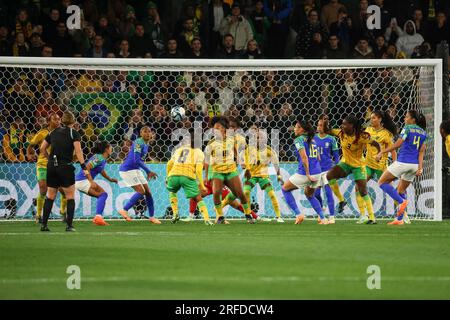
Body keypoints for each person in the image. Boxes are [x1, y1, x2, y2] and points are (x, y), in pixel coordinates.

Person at [327, 115, 381, 224]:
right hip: (345, 164)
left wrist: (379, 154)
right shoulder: (341, 132)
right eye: (342, 124)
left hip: (358, 166)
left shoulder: (362, 136)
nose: (342, 126)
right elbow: (328, 130)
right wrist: (325, 122)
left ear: (352, 126)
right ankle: (342, 201)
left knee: (362, 191)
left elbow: (375, 144)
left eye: (345, 124)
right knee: (329, 176)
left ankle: (371, 217)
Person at [39, 111, 88, 232]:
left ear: (62, 121)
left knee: (50, 196)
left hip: (51, 167)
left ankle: (44, 225)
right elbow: (78, 151)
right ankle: (69, 226)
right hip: (65, 167)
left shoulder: (53, 132)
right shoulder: (74, 133)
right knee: (70, 196)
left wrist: (49, 158)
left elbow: (42, 148)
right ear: (73, 121)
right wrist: (84, 167)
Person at [377, 110, 427, 225]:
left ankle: (401, 202)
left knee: (382, 182)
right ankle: (399, 220)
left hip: (403, 162)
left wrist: (382, 151)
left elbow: (398, 144)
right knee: (400, 190)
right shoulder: (423, 133)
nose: (405, 119)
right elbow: (421, 152)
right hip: (414, 165)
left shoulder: (407, 128)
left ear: (413, 119)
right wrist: (420, 168)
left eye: (406, 117)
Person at [204, 116, 254, 224]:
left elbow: (236, 152)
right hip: (218, 172)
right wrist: (206, 176)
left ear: (224, 129)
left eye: (218, 127)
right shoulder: (211, 144)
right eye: (214, 128)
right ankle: (220, 216)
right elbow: (206, 161)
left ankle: (248, 214)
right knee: (216, 192)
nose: (216, 130)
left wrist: (243, 165)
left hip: (231, 171)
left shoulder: (231, 139)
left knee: (240, 193)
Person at [281, 117, 328, 225]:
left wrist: (307, 173)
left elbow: (304, 158)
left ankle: (298, 214)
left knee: (285, 189)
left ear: (303, 130)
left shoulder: (299, 140)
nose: (294, 129)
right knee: (309, 195)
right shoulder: (313, 139)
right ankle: (323, 218)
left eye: (297, 127)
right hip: (317, 173)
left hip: (306, 174)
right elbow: (319, 157)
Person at [356, 110, 397, 224]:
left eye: (374, 118)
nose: (371, 120)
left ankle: (403, 214)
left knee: (390, 190)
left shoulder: (386, 134)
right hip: (368, 165)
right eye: (371, 118)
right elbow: (362, 146)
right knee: (359, 187)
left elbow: (392, 150)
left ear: (380, 119)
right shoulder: (367, 130)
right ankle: (364, 215)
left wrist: (395, 165)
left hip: (381, 167)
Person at [166, 129, 213, 225]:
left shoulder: (179, 149)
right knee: (197, 197)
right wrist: (202, 186)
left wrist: (168, 177)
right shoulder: (199, 152)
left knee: (172, 192)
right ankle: (207, 219)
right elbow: (199, 171)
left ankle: (175, 214)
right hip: (187, 176)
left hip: (174, 175)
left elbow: (169, 164)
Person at [26, 114, 67, 224]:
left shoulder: (62, 133)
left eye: (59, 119)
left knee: (63, 191)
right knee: (43, 190)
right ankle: (39, 215)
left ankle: (63, 211)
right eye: (55, 119)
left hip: (56, 165)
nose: (58, 121)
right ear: (49, 121)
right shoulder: (42, 133)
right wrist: (29, 154)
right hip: (43, 165)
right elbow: (30, 145)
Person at [118, 126, 160, 224]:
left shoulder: (146, 144)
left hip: (136, 169)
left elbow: (139, 161)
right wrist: (148, 171)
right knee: (141, 191)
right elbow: (136, 160)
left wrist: (147, 170)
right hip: (127, 169)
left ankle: (152, 217)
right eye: (145, 131)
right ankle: (124, 210)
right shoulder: (138, 142)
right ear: (141, 134)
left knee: (148, 192)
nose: (148, 133)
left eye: (149, 131)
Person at [242, 126, 284, 222]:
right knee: (246, 192)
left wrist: (279, 175)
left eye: (260, 137)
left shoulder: (269, 150)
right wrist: (245, 168)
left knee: (272, 194)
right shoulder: (249, 149)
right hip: (251, 176)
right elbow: (243, 162)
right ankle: (248, 215)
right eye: (256, 137)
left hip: (263, 176)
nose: (258, 139)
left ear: (265, 139)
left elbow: (276, 163)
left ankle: (278, 216)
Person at [75, 141, 118, 226]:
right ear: (106, 149)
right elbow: (87, 167)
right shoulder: (98, 157)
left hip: (82, 181)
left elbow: (101, 170)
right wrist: (91, 181)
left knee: (102, 195)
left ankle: (98, 218)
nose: (111, 149)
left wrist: (110, 179)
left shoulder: (102, 159)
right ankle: (98, 218)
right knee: (103, 195)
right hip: (83, 180)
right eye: (110, 147)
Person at [313, 116, 343, 224]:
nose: (318, 127)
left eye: (320, 125)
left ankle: (332, 216)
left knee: (328, 192)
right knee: (316, 194)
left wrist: (337, 168)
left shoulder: (331, 139)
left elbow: (336, 156)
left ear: (325, 127)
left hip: (327, 169)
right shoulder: (313, 138)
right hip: (316, 170)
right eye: (318, 125)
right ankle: (321, 211)